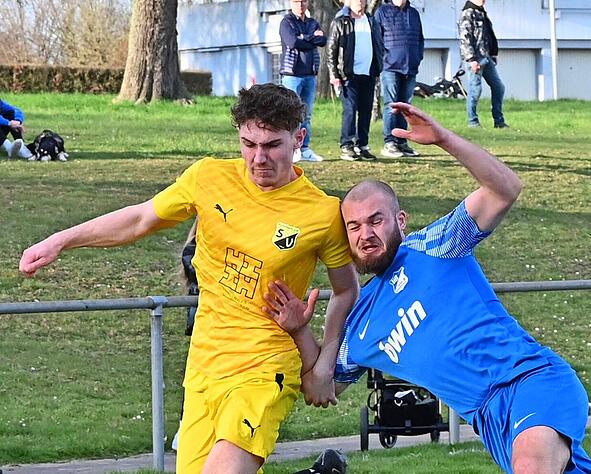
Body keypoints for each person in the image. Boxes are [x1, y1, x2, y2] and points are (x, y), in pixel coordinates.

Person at [18, 84, 359, 474]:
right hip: (203, 368)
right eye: (249, 144)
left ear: (299, 137)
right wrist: (61, 240)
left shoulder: (322, 212)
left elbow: (346, 289)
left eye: (272, 145)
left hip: (266, 367)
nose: (258, 158)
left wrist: (323, 366)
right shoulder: (208, 176)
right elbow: (141, 219)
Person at [264, 102, 591, 474]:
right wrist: (298, 330)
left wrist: (443, 139)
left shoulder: (435, 246)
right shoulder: (360, 328)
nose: (366, 234)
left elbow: (505, 189)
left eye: (376, 220)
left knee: (532, 466)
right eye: (354, 226)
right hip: (490, 420)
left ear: (400, 220)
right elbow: (319, 387)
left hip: (530, 381)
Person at [327, 0, 383, 162]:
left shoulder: (372, 21)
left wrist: (379, 65)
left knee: (366, 111)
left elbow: (379, 44)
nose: (359, 2)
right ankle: (347, 145)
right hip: (348, 75)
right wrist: (334, 75)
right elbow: (332, 51)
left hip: (368, 74)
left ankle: (362, 145)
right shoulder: (341, 22)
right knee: (350, 110)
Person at [375, 0, 424, 158]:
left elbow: (420, 39)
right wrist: (383, 60)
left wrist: (418, 57)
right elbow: (377, 40)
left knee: (405, 107)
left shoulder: (414, 13)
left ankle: (402, 141)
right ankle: (390, 142)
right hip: (390, 67)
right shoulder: (382, 12)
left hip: (410, 67)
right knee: (391, 105)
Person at [280, 0, 327, 163]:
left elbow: (323, 41)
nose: (300, 4)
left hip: (310, 74)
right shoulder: (287, 22)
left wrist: (304, 38)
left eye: (303, 1)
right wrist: (311, 38)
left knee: (306, 114)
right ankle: (289, 149)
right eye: (296, 1)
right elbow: (292, 42)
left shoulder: (312, 22)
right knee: (289, 113)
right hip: (292, 74)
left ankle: (304, 148)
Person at [459, 0, 508, 129]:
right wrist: (471, 59)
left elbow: (488, 36)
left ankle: (499, 121)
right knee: (475, 90)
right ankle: (472, 122)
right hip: (476, 59)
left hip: (486, 57)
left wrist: (493, 54)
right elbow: (465, 38)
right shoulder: (468, 13)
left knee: (498, 87)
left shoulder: (481, 13)